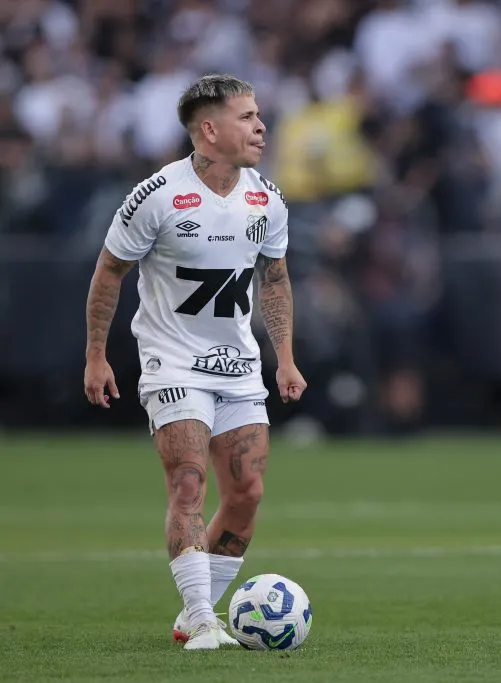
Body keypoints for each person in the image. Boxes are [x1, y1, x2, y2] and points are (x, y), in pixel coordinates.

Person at [82, 75, 307, 650]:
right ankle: (203, 619)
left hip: (238, 366)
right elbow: (110, 271)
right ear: (210, 129)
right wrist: (96, 355)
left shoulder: (267, 197)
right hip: (172, 364)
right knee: (188, 484)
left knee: (248, 492)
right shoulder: (157, 196)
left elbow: (274, 279)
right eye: (247, 116)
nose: (261, 127)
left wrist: (284, 358)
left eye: (260, 116)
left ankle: (194, 618)